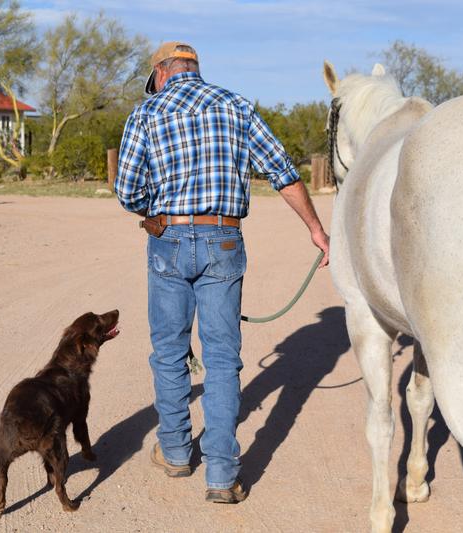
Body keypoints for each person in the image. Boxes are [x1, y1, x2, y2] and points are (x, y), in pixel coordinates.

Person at [115, 41, 330, 503]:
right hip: (224, 240)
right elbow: (283, 173)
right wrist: (316, 230)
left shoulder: (146, 113)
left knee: (170, 351)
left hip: (167, 240)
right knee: (221, 357)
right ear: (194, 69)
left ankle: (174, 452)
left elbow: (127, 188)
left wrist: (150, 211)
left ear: (160, 73)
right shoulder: (236, 106)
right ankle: (222, 475)